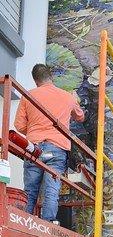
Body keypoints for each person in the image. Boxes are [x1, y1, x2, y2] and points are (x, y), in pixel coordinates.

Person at [14, 64, 85, 222]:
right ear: (51, 76)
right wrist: (75, 102)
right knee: (51, 190)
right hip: (57, 147)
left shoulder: (29, 95)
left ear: (35, 80)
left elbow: (19, 125)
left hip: (34, 148)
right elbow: (80, 117)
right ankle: (47, 224)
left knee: (30, 190)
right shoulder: (67, 96)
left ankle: (25, 221)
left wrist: (34, 131)